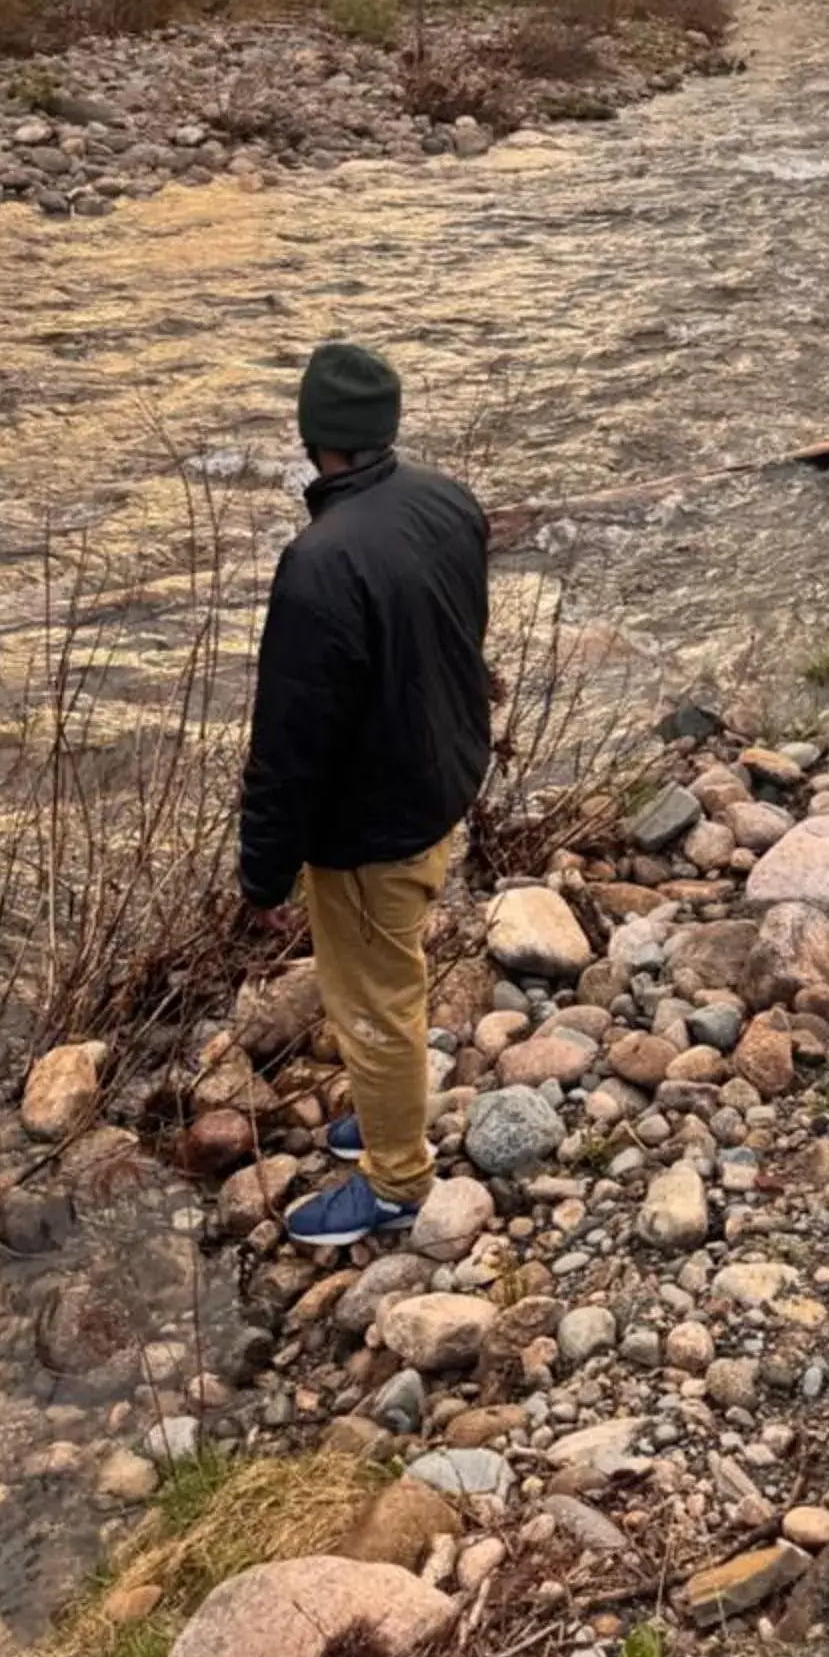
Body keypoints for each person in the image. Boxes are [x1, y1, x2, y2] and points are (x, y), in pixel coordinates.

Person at [239, 340, 492, 1248]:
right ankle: (392, 1114)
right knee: (398, 972)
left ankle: (396, 1179)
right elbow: (463, 639)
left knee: (376, 1003)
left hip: (369, 829)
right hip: (441, 786)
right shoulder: (446, 501)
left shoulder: (317, 564)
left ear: (315, 437)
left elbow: (288, 747)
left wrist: (261, 879)